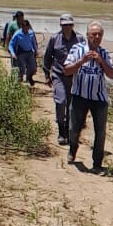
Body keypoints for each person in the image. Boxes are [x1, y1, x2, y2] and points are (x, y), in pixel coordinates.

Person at [62, 20, 113, 172]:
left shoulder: (104, 53)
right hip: (79, 96)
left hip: (99, 99)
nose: (97, 37)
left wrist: (101, 61)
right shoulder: (77, 49)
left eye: (99, 35)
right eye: (94, 34)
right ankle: (72, 150)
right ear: (87, 35)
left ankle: (97, 163)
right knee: (74, 129)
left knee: (100, 132)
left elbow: (112, 74)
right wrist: (82, 61)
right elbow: (66, 70)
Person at [41, 14, 80, 145]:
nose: (67, 27)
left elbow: (84, 57)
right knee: (61, 101)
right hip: (59, 75)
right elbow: (47, 57)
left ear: (72, 25)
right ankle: (61, 130)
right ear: (61, 25)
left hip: (74, 77)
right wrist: (46, 75)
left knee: (71, 106)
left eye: (69, 25)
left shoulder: (79, 39)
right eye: (64, 25)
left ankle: (69, 132)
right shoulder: (54, 39)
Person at [8, 15, 38, 86]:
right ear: (22, 27)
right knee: (22, 69)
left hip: (30, 52)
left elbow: (34, 42)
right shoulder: (17, 34)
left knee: (33, 68)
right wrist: (13, 53)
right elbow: (11, 44)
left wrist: (36, 51)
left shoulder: (31, 33)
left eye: (27, 28)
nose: (26, 30)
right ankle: (19, 82)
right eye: (24, 28)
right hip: (21, 53)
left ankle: (29, 78)